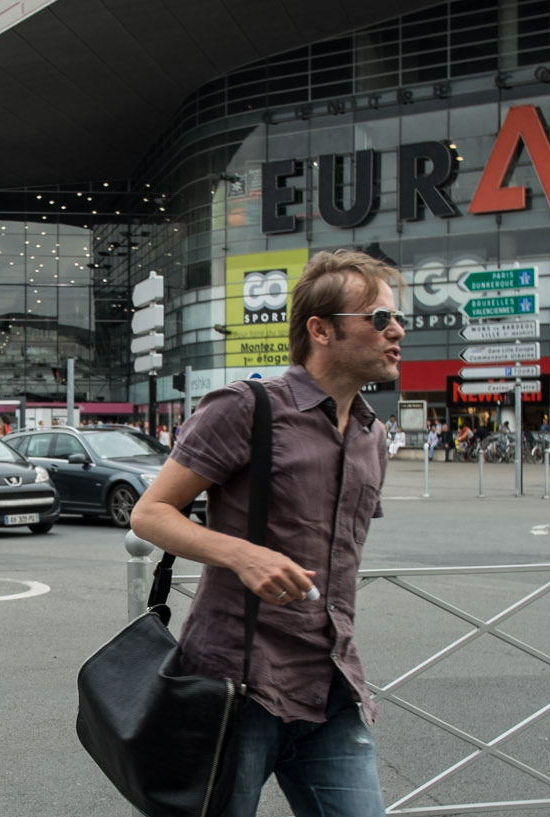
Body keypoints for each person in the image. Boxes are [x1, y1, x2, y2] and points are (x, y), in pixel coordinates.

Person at [131, 249, 400, 816]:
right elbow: (151, 512)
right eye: (378, 318)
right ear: (320, 329)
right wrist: (240, 554)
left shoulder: (372, 437)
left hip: (331, 685)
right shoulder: (246, 408)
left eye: (398, 319)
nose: (395, 331)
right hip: (236, 687)